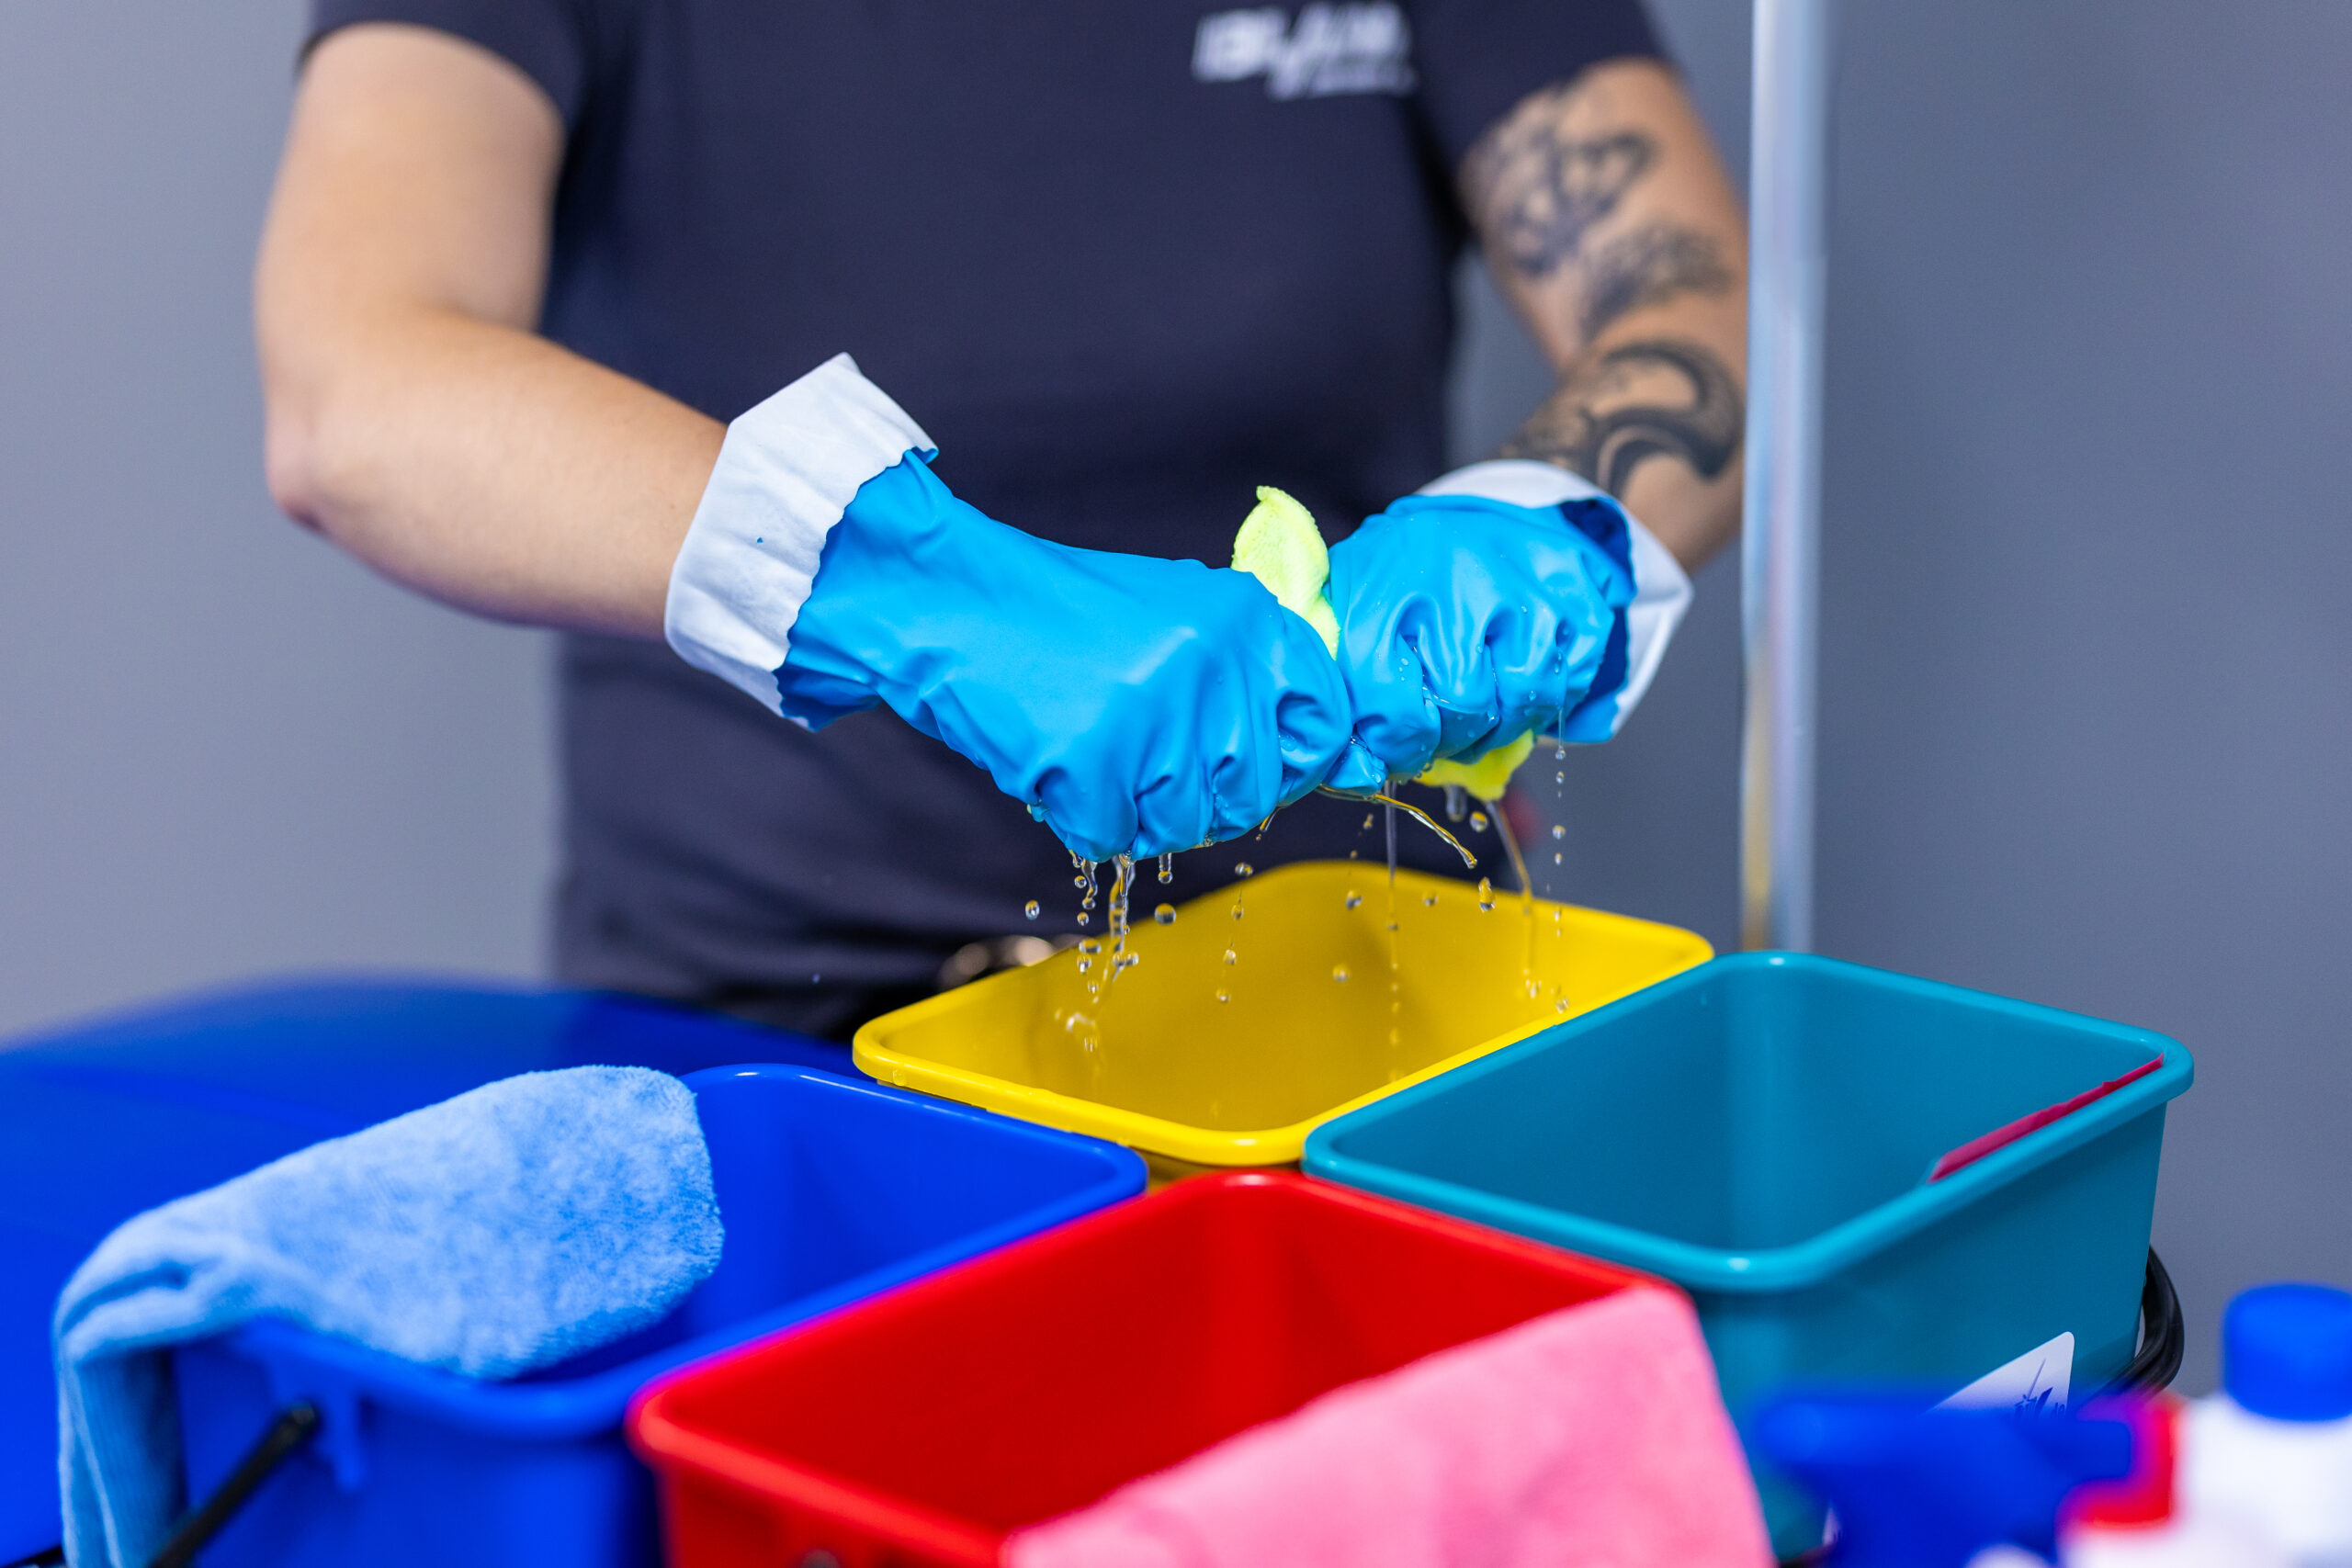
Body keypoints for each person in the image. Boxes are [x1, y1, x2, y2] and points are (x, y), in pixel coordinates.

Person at [258, 0, 1748, 1038]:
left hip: (1367, 1020)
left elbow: (1693, 299)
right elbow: (359, 383)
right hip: (777, 1052)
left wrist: (1537, 526)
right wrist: (898, 587)